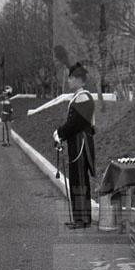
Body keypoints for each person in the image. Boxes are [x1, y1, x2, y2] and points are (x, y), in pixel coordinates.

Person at [53, 62, 96, 230]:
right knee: (77, 180)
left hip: (80, 144)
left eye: (71, 78)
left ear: (78, 79)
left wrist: (59, 133)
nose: (69, 81)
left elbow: (74, 124)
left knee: (79, 180)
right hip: (76, 143)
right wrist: (61, 135)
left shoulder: (83, 98)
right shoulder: (79, 97)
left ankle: (82, 219)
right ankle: (80, 218)